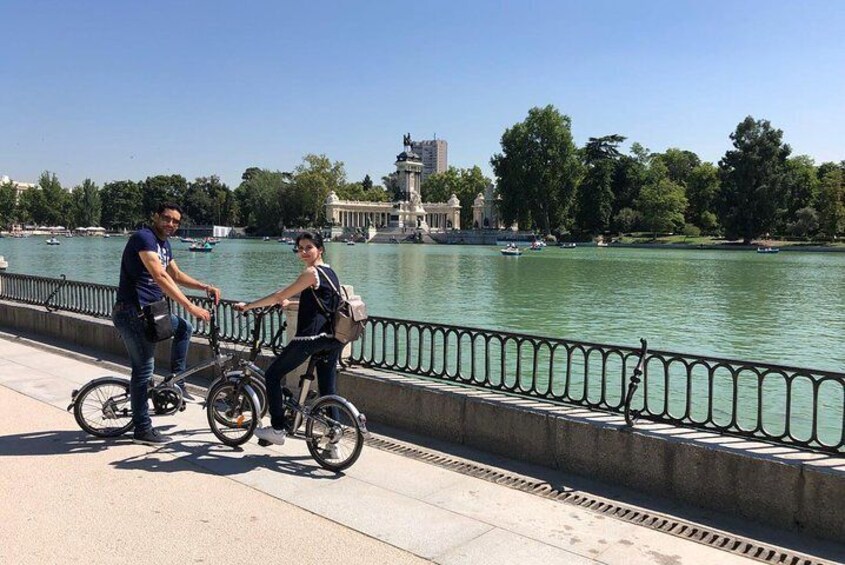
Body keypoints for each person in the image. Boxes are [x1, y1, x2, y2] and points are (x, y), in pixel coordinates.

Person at [113, 203, 221, 445]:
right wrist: (190, 306)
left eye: (175, 221)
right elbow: (159, 276)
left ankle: (176, 381)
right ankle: (142, 429)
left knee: (184, 328)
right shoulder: (144, 238)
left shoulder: (164, 244)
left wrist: (205, 286)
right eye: (166, 218)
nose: (170, 224)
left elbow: (176, 275)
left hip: (153, 312)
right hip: (133, 312)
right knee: (143, 371)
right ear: (155, 216)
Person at [234, 231, 344, 446]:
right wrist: (291, 305)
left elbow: (278, 295)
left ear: (320, 249)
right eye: (300, 248)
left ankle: (277, 429)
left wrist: (248, 306)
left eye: (308, 247)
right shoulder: (330, 272)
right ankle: (335, 441)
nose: (303, 252)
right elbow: (321, 306)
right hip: (332, 338)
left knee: (273, 375)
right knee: (328, 390)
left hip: (310, 338)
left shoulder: (311, 273)